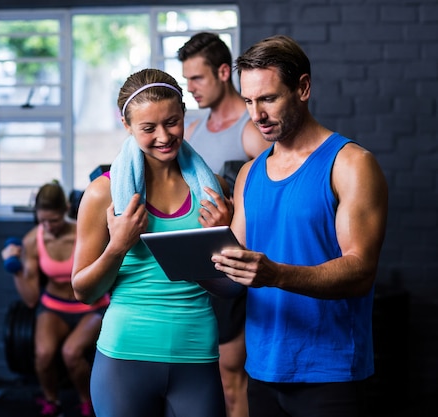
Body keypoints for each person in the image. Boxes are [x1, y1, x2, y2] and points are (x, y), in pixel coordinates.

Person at [211, 35, 389, 417]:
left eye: (268, 98)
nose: (256, 114)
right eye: (248, 101)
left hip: (331, 373)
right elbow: (236, 273)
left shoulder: (350, 164)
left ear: (303, 88)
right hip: (261, 368)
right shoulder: (248, 174)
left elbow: (361, 271)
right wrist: (199, 256)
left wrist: (275, 274)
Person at [71, 68, 233, 417]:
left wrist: (218, 240)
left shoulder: (211, 190)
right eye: (148, 128)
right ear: (127, 126)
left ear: (184, 115)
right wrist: (118, 246)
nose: (164, 136)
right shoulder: (103, 193)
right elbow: (83, 291)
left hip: (197, 353)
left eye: (172, 122)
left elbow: (231, 289)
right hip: (125, 356)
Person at [177, 32, 270, 417]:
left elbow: (275, 200)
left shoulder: (250, 131)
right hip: (199, 269)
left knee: (233, 378)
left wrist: (232, 216)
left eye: (197, 79)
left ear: (222, 71)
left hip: (233, 265)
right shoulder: (192, 130)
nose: (190, 88)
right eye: (186, 80)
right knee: (206, 377)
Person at [1, 181, 109, 417]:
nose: (48, 227)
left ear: (66, 209)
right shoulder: (32, 241)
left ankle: (86, 402)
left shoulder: (84, 232)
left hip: (91, 306)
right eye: (43, 221)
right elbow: (30, 300)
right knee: (43, 355)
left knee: (71, 353)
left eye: (54, 220)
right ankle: (51, 401)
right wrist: (15, 269)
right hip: (53, 306)